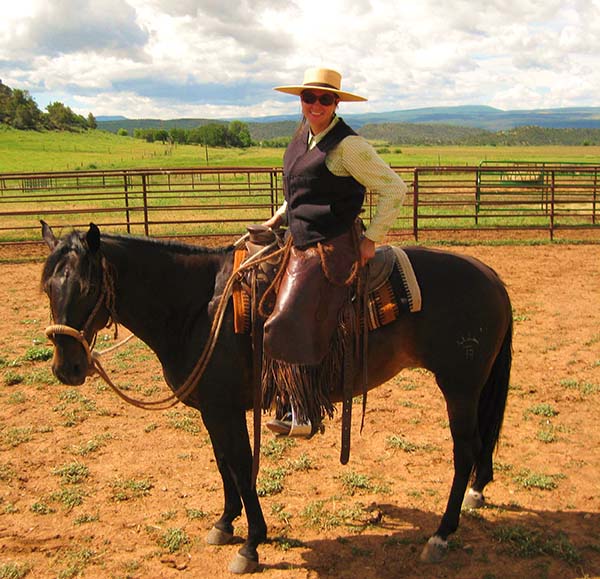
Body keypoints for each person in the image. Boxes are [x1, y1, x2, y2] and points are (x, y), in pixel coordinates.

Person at [261, 67, 407, 437]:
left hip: (332, 245)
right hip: (299, 236)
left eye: (325, 98)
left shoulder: (348, 147)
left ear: (337, 102)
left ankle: (303, 407)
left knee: (294, 307)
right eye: (309, 97)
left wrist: (372, 238)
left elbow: (394, 188)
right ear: (301, 100)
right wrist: (278, 216)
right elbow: (301, 188)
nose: (316, 104)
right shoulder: (304, 137)